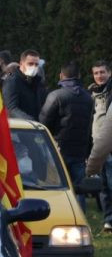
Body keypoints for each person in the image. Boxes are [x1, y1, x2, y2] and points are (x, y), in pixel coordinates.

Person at [40, 62, 93, 205]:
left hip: (58, 149)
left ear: (61, 76)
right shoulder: (88, 98)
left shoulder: (56, 96)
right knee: (79, 189)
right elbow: (89, 127)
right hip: (80, 151)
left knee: (55, 188)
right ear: (79, 76)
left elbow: (43, 123)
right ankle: (80, 218)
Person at [88, 60, 112, 218]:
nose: (99, 76)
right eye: (96, 73)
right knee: (102, 185)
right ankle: (108, 219)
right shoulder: (91, 94)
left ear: (109, 73)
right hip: (96, 145)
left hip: (109, 145)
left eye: (102, 72)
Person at [2, 49, 47, 120]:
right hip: (20, 127)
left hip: (36, 127)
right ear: (21, 64)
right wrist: (31, 121)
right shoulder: (12, 81)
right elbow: (11, 108)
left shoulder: (38, 82)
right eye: (30, 64)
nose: (34, 67)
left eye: (36, 64)